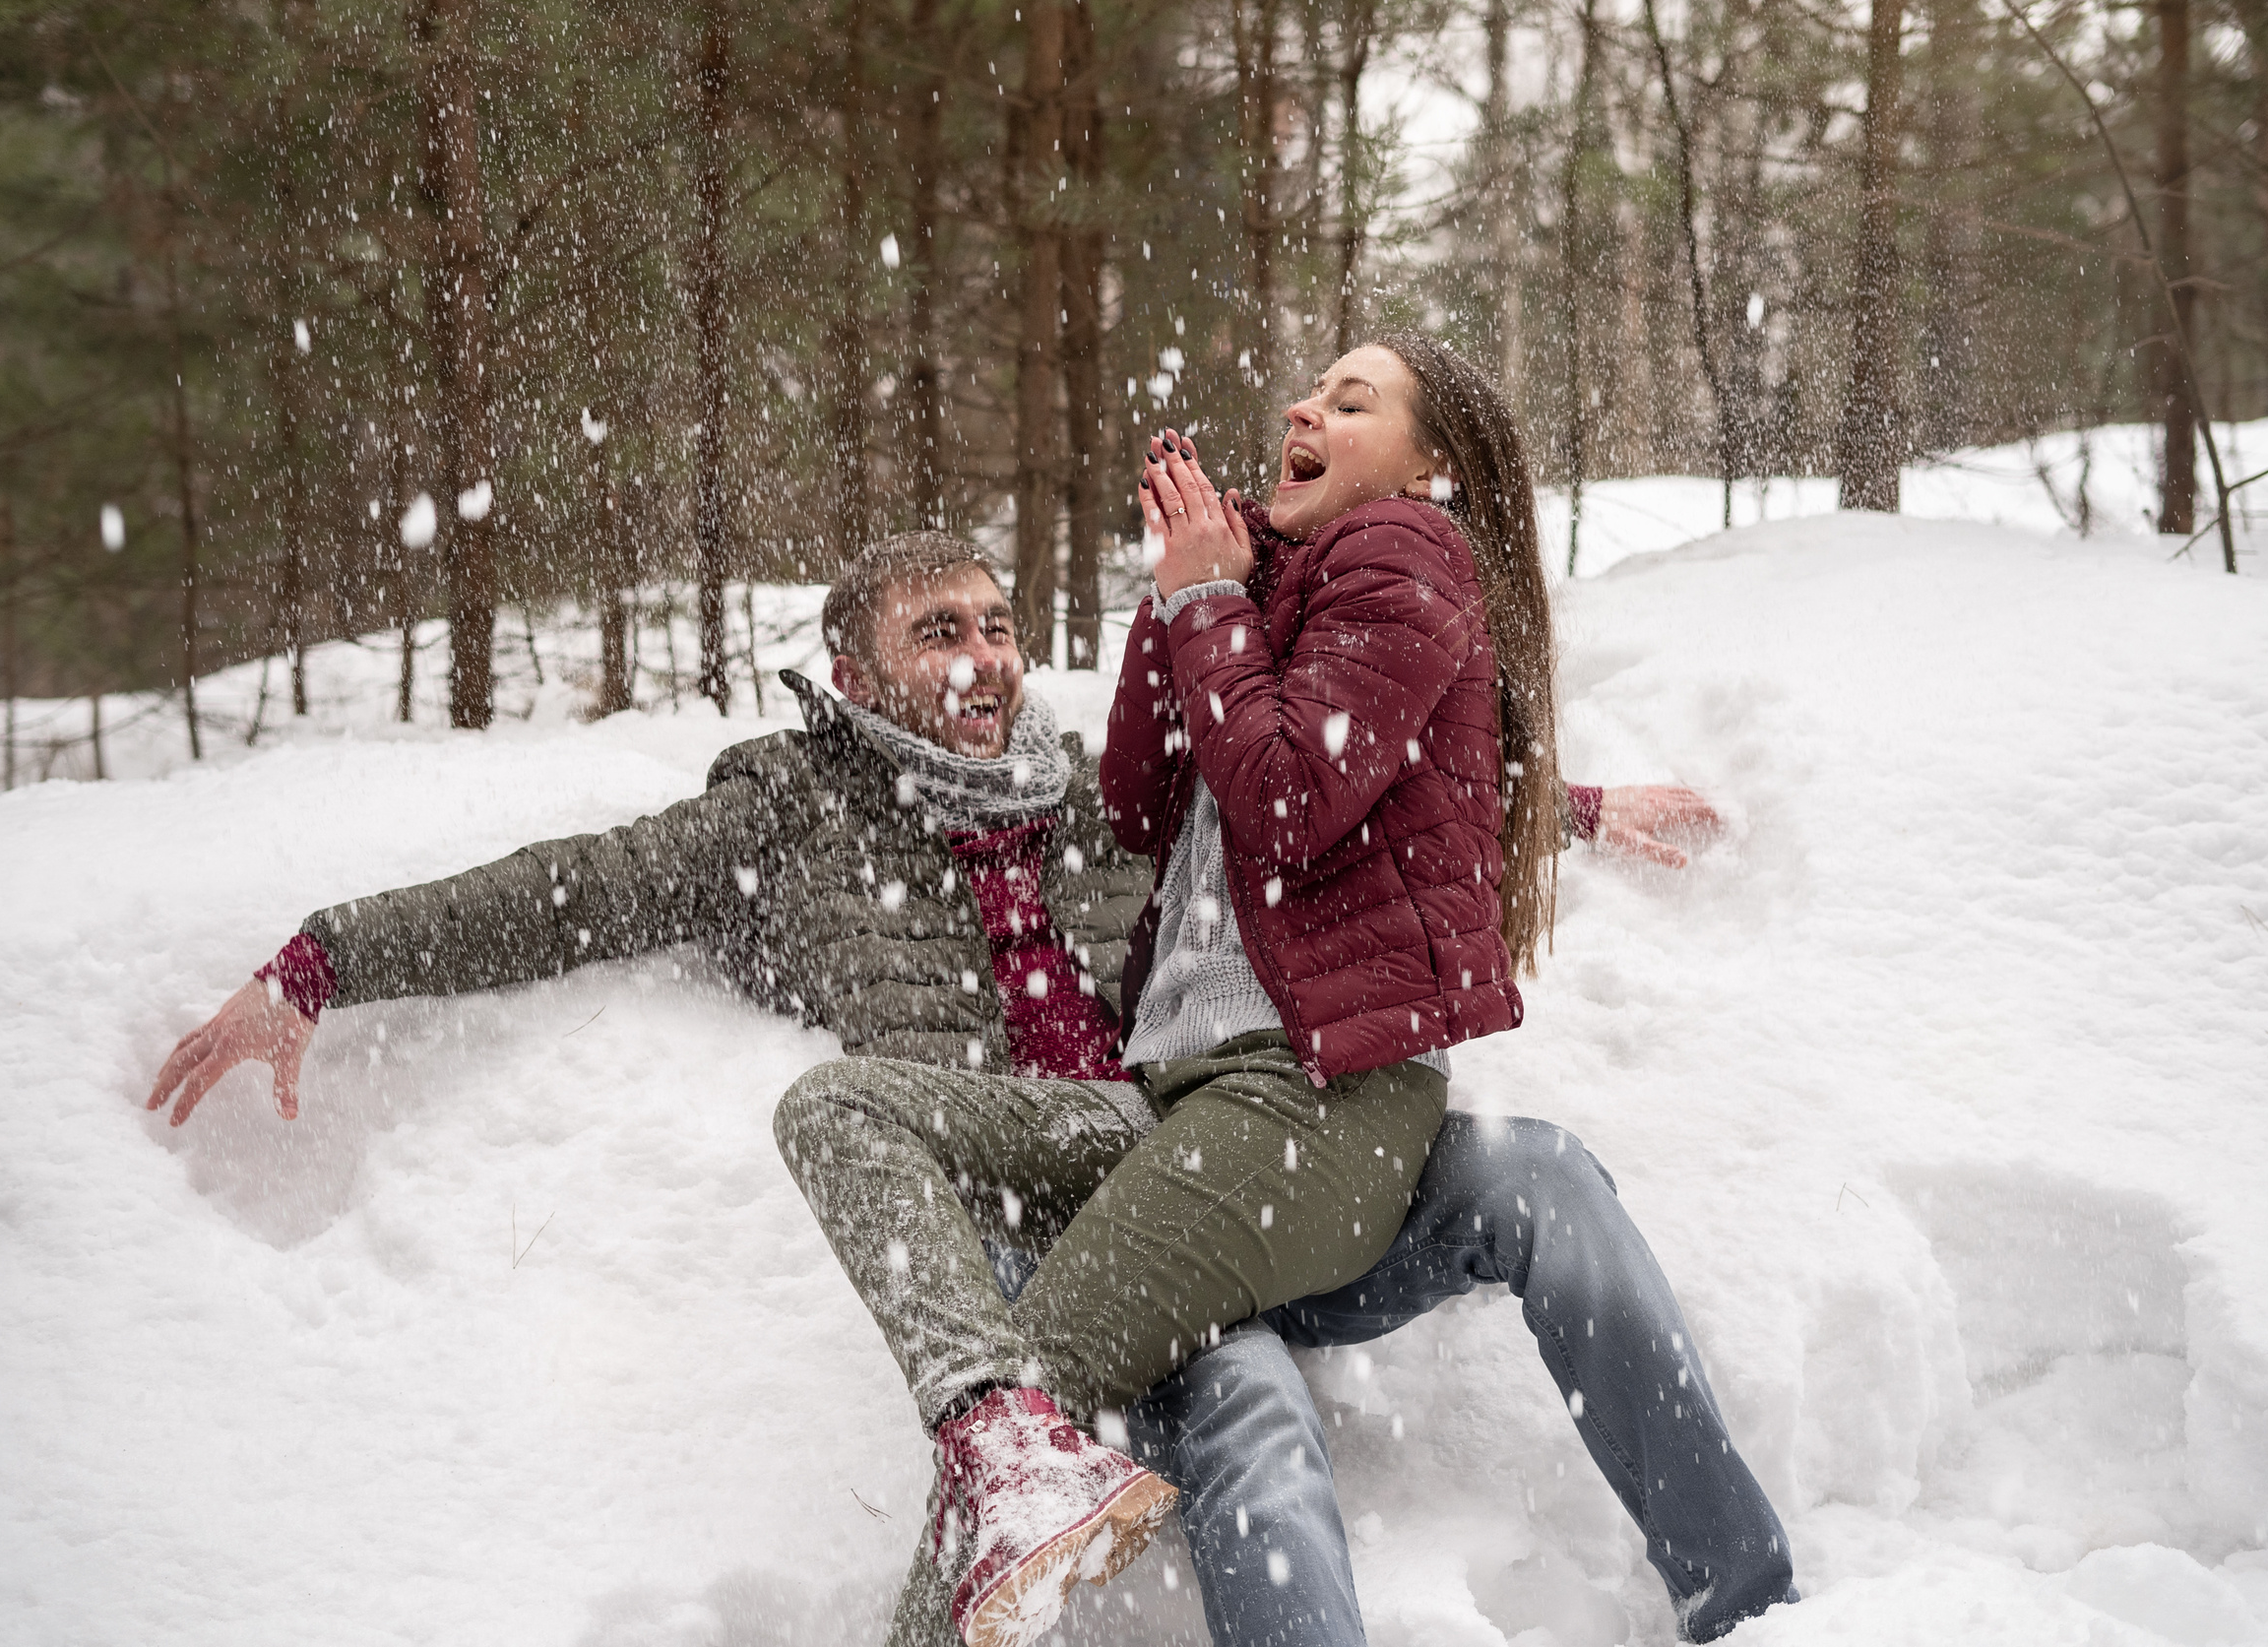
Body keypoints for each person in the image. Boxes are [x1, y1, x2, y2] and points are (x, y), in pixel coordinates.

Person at [146, 532, 1780, 1647]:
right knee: (1261, 1420)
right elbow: (567, 886)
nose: (986, 660)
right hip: (1071, 1220)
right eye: (942, 631)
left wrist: (1557, 804)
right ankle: (1010, 1459)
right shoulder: (786, 816)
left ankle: (1754, 1599)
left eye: (999, 626)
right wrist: (321, 962)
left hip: (1241, 1149)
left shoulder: (1089, 791)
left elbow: (1330, 784)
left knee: (1542, 1172)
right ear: (853, 669)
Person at [772, 333, 1794, 1647]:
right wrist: (1192, 590)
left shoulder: (1403, 550)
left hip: (1291, 1102)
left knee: (1027, 1432)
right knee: (959, 1257)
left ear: (1431, 465)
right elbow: (1153, 799)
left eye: (1353, 401)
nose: (1306, 405)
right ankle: (1746, 1592)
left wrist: (1209, 602)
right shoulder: (1278, 599)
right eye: (1311, 391)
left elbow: (1298, 796)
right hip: (1191, 1108)